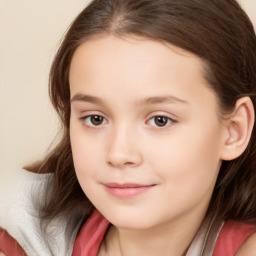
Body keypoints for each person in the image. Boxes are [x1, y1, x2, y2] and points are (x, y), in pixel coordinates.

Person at [0, 0, 256, 255]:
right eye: (95, 119)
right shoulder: (18, 231)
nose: (118, 154)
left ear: (234, 130)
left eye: (160, 120)